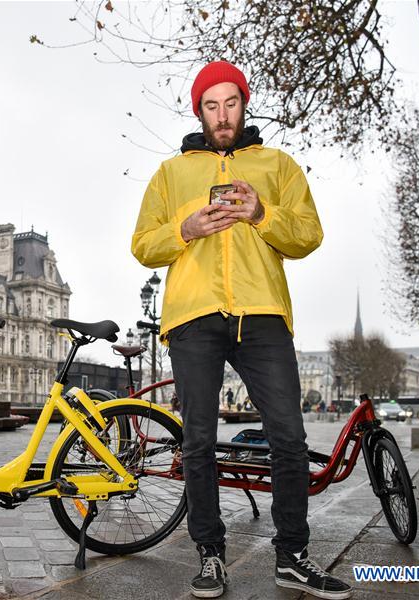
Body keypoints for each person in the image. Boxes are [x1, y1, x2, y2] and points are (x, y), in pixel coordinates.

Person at [131, 61, 350, 599]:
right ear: (199, 110)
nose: (222, 115)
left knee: (290, 437)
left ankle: (293, 557)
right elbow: (142, 245)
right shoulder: (170, 173)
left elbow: (308, 235)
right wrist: (185, 229)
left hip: (263, 314)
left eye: (231, 102)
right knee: (199, 440)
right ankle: (209, 555)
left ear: (244, 103)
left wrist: (262, 213)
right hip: (193, 317)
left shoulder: (278, 165)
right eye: (212, 105)